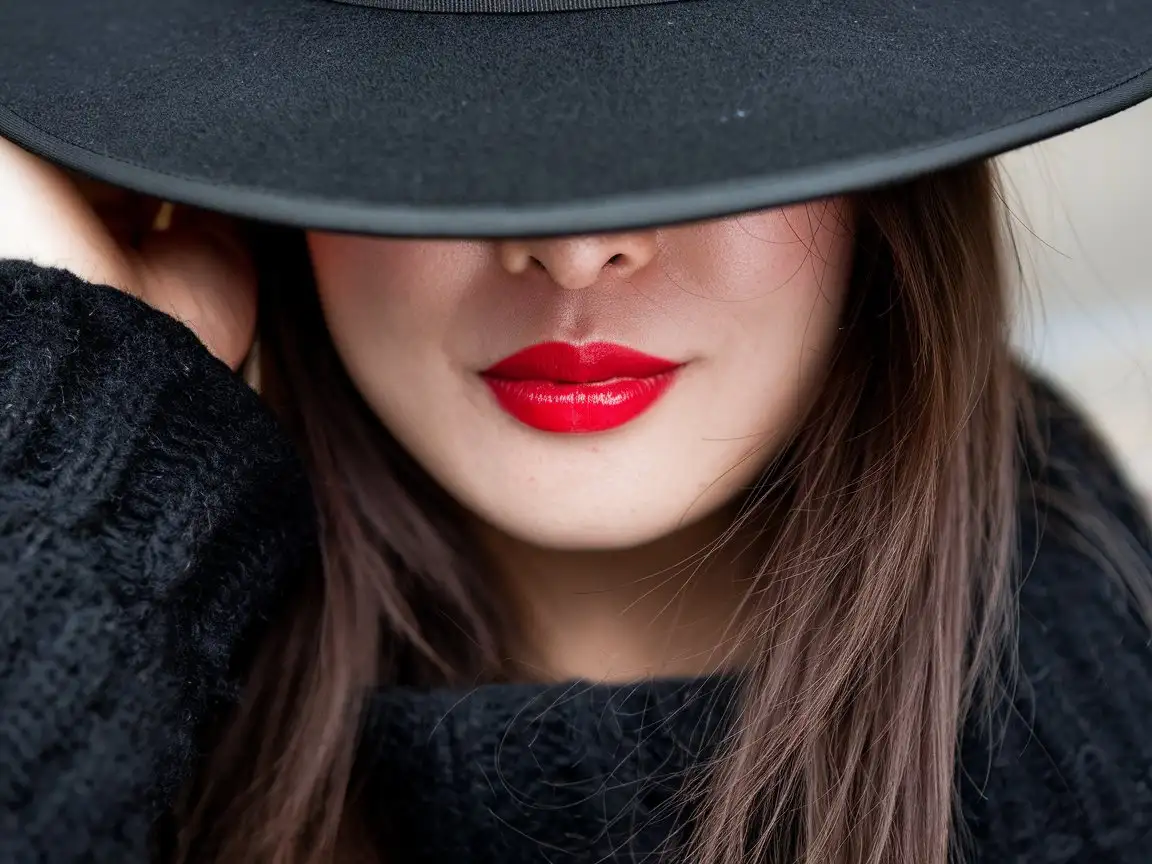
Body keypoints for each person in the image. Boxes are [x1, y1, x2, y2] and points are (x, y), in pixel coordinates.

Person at [1, 2, 1151, 863]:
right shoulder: (121, 715)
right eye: (428, 124)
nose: (577, 244)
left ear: (892, 186)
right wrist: (83, 430)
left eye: (711, 109)